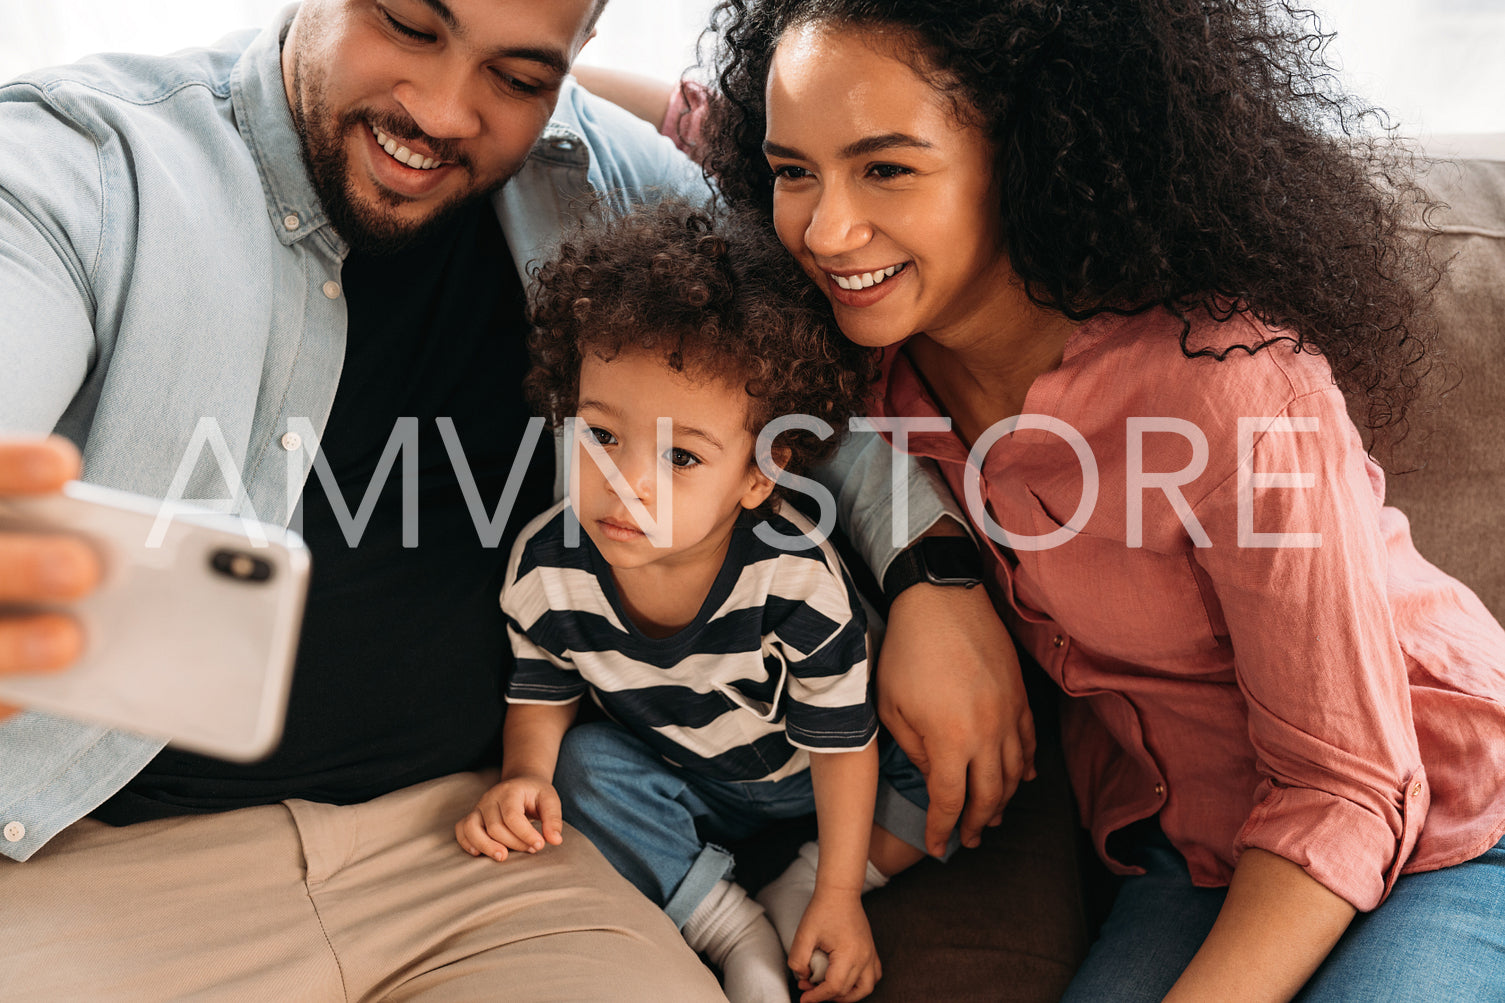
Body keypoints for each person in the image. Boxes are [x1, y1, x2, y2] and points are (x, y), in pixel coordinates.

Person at [0, 1, 1008, 997]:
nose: (442, 111)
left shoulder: (604, 185)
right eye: (407, 24)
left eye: (519, 78)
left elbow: (800, 396)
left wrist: (935, 574)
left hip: (487, 853)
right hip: (97, 860)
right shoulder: (83, 161)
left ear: (576, 58)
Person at [598, 0, 1505, 999]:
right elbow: (693, 124)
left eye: (886, 169)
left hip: (1439, 819)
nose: (825, 228)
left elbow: (1347, 786)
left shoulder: (1228, 394)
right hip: (1188, 851)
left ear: (1027, 152)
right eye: (792, 173)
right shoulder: (861, 354)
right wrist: (522, 76)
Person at [454, 200, 948, 1003]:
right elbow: (543, 685)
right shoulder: (548, 565)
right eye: (600, 435)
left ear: (758, 474)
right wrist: (523, 773)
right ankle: (729, 927)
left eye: (681, 456)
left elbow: (842, 743)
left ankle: (806, 880)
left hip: (819, 761)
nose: (626, 483)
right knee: (586, 771)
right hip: (686, 773)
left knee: (951, 772)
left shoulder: (792, 580)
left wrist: (837, 895)